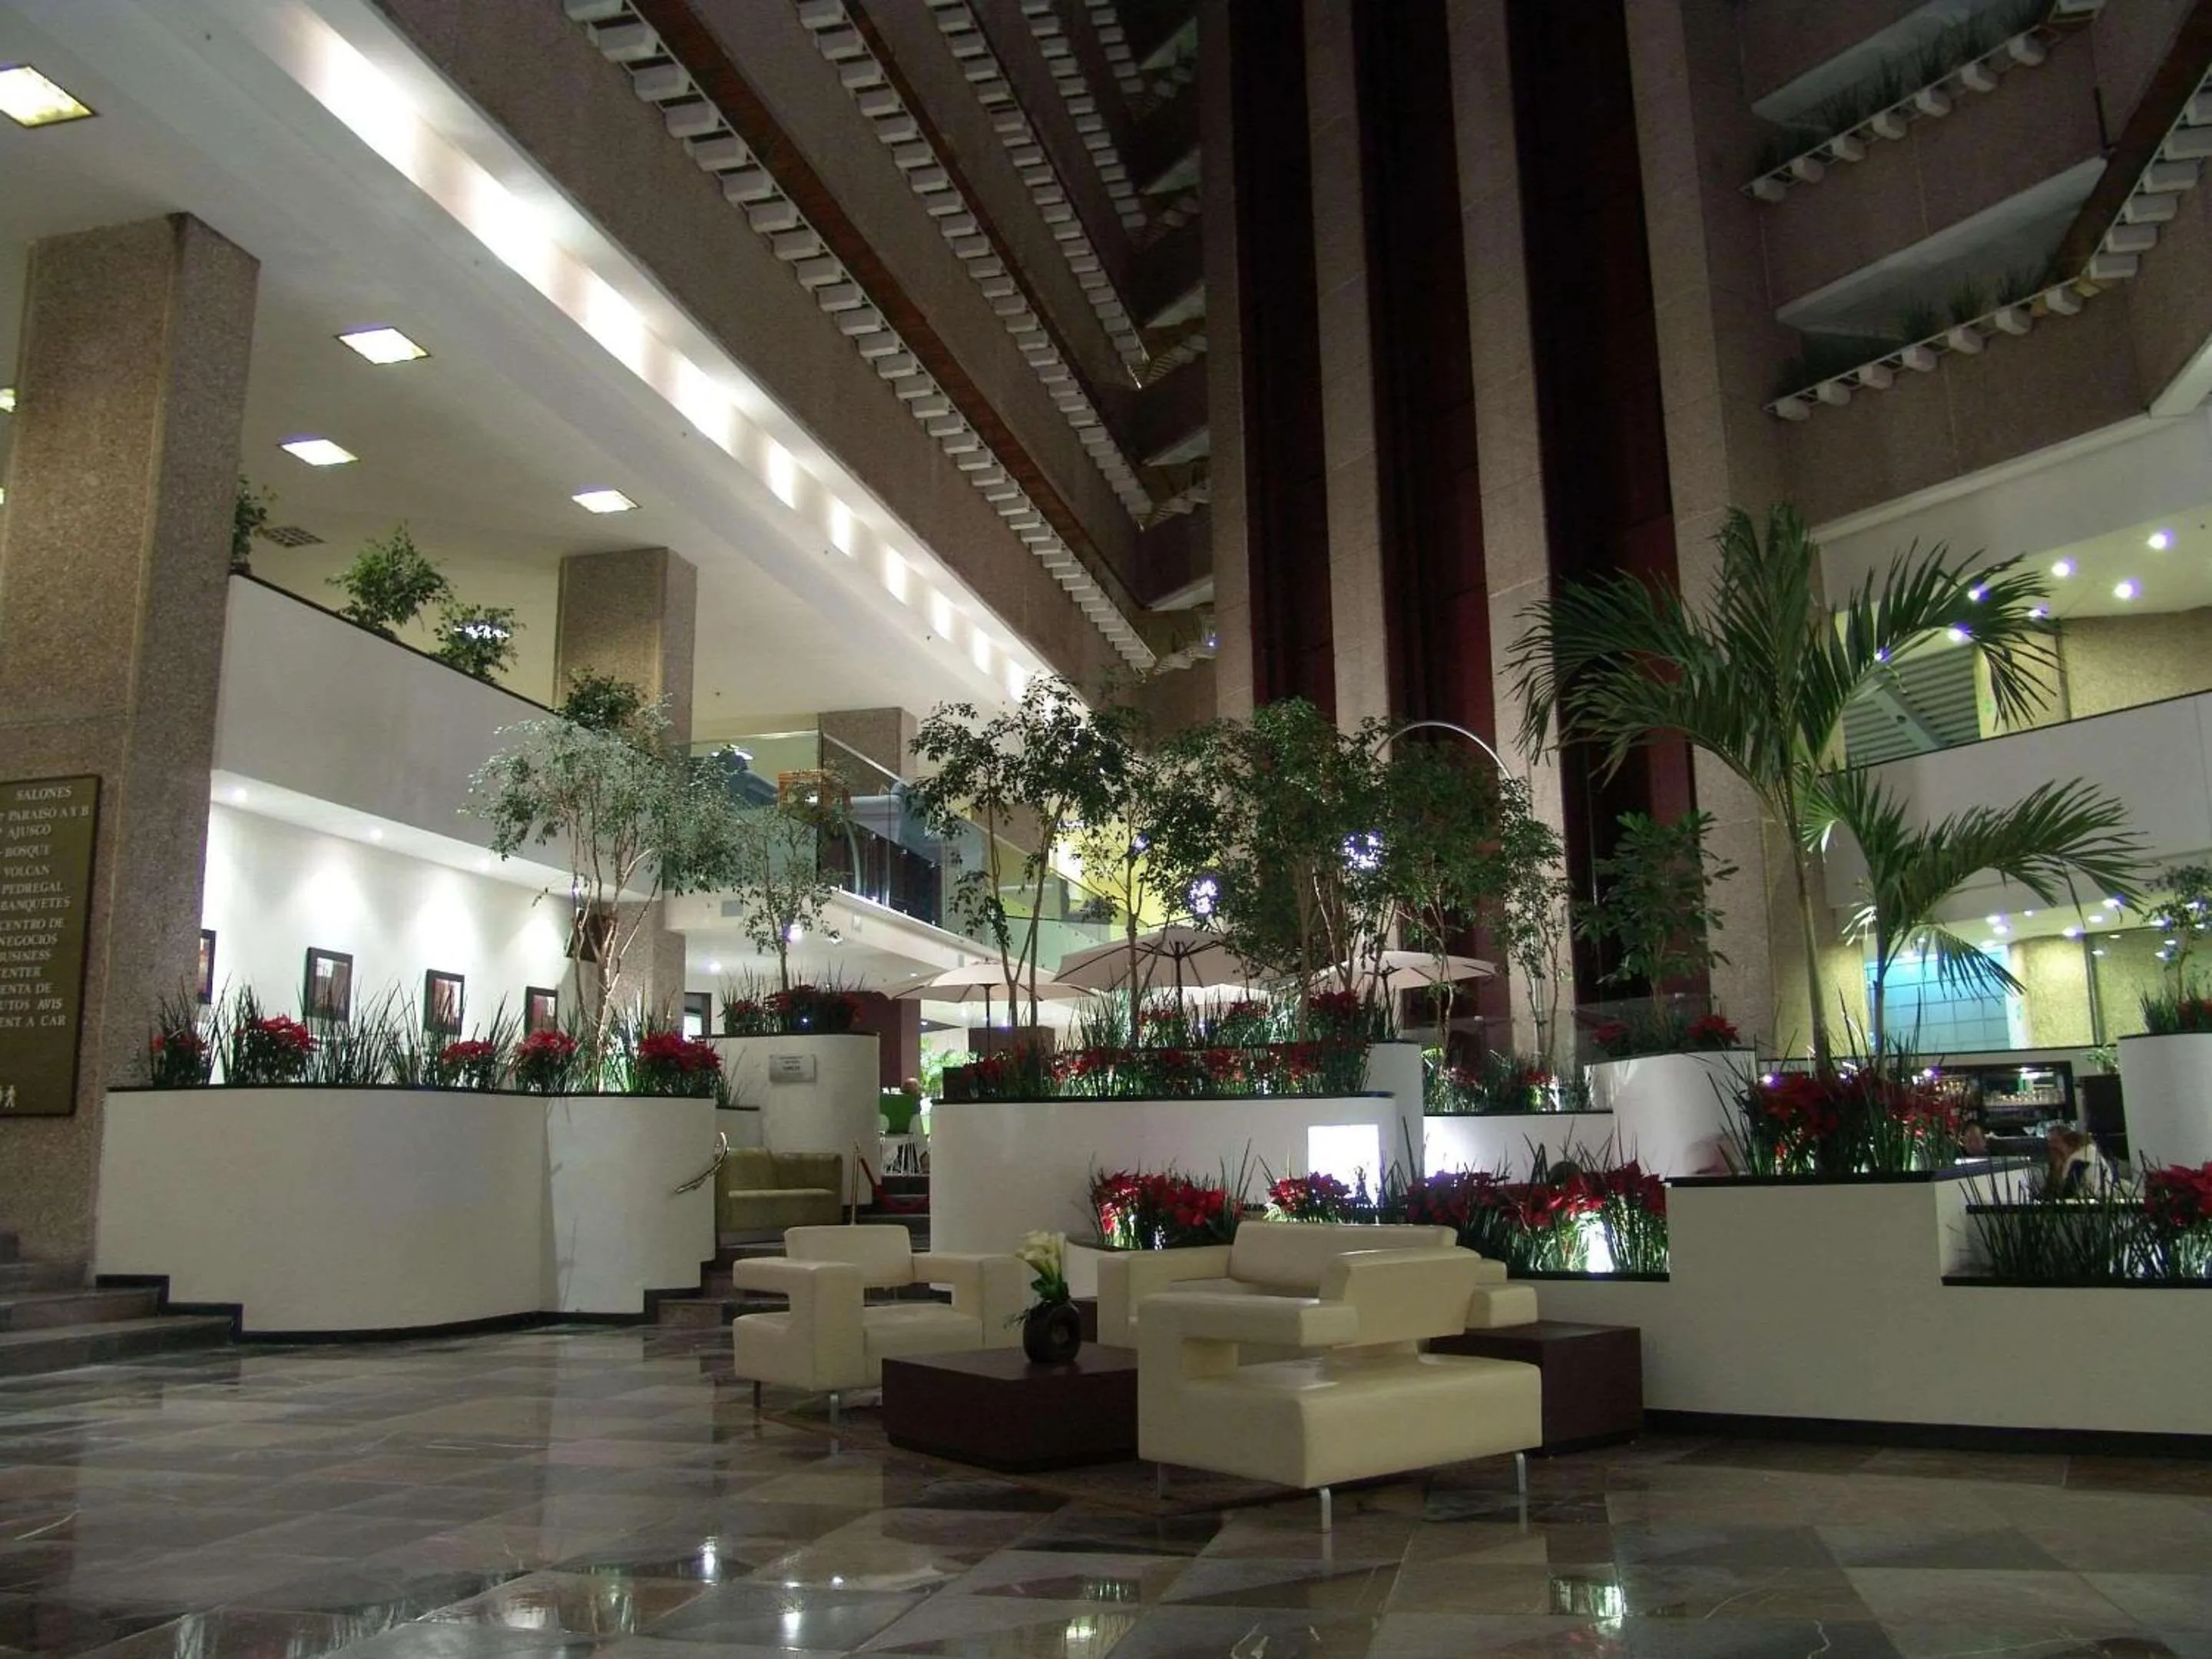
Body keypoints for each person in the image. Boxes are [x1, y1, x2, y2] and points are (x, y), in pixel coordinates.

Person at [2045, 1128, 2110, 1197]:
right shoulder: (2085, 1153)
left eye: (2056, 1141)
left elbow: (2068, 1192)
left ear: (2070, 1142)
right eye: (2049, 1142)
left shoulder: (2081, 1159)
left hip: (2093, 1203)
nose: (2051, 1146)